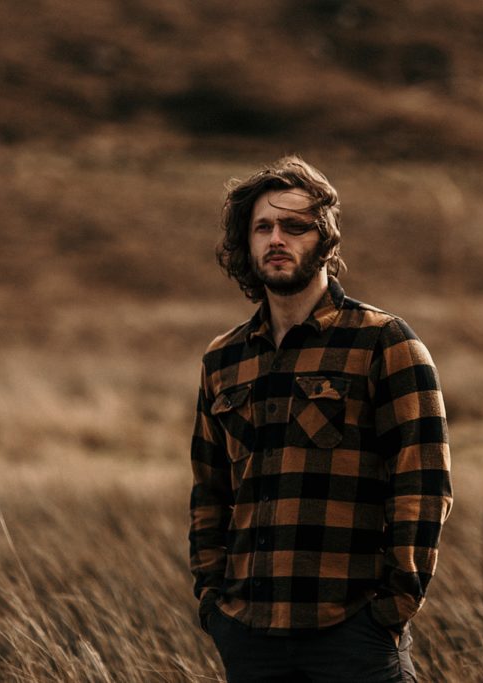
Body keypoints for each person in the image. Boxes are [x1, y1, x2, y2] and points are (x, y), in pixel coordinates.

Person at [188, 155, 452, 682]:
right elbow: (209, 491)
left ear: (325, 239)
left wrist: (391, 610)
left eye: (295, 226)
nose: (276, 238)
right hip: (249, 634)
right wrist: (213, 601)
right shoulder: (224, 359)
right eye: (262, 227)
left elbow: (423, 485)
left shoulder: (384, 342)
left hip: (351, 634)